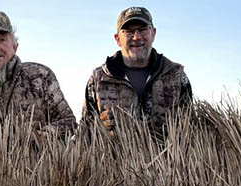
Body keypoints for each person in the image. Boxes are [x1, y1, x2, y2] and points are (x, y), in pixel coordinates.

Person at [82, 7, 192, 135]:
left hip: (168, 155)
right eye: (129, 32)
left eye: (143, 30)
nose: (137, 37)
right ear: (118, 39)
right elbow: (86, 131)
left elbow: (190, 129)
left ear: (153, 33)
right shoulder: (99, 80)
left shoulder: (175, 76)